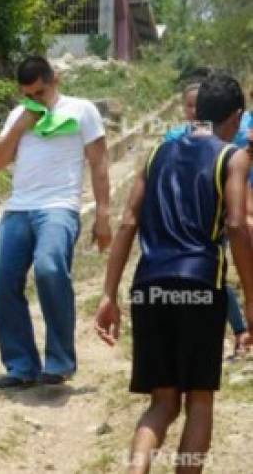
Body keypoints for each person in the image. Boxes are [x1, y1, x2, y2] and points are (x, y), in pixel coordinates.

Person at [95, 72, 253, 474]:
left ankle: (136, 469)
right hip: (200, 286)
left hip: (149, 286)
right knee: (199, 400)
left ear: (197, 110)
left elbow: (128, 222)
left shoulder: (155, 153)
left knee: (162, 402)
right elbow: (236, 226)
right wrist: (252, 298)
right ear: (236, 115)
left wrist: (109, 294)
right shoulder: (232, 157)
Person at [0, 55, 111, 389]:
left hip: (59, 207)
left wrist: (103, 214)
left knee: (49, 268)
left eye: (40, 92)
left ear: (54, 79)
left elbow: (99, 163)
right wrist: (19, 125)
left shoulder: (82, 109)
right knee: (0, 282)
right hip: (18, 209)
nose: (35, 99)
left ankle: (59, 362)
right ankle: (21, 366)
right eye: (28, 94)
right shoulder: (19, 115)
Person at [166, 79, 251, 355]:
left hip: (237, 208)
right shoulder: (175, 139)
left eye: (196, 106)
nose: (192, 112)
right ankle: (237, 330)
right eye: (188, 106)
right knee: (214, 271)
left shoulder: (236, 132)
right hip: (204, 216)